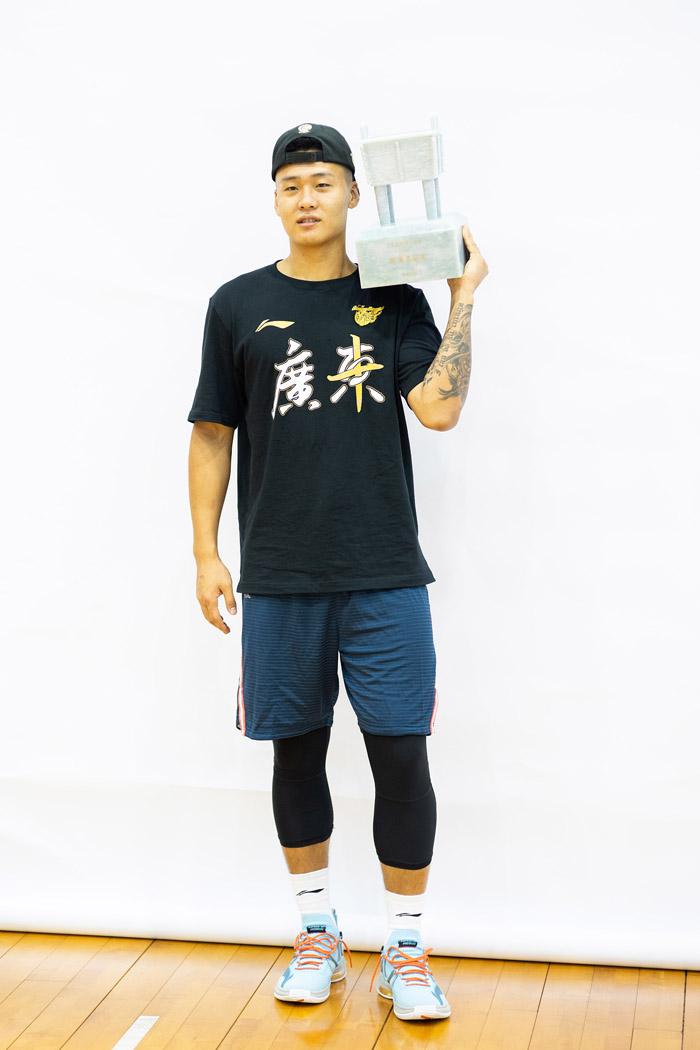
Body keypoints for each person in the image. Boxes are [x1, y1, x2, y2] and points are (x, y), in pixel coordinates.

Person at [187, 122, 488, 1023]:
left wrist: (462, 296)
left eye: (323, 182)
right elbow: (212, 434)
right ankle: (317, 932)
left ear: (355, 194)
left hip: (384, 570)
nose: (307, 198)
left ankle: (407, 947)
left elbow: (438, 410)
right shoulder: (237, 304)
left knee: (401, 753)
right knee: (297, 750)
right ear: (276, 199)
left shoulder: (393, 298)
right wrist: (206, 552)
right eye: (291, 185)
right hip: (280, 575)